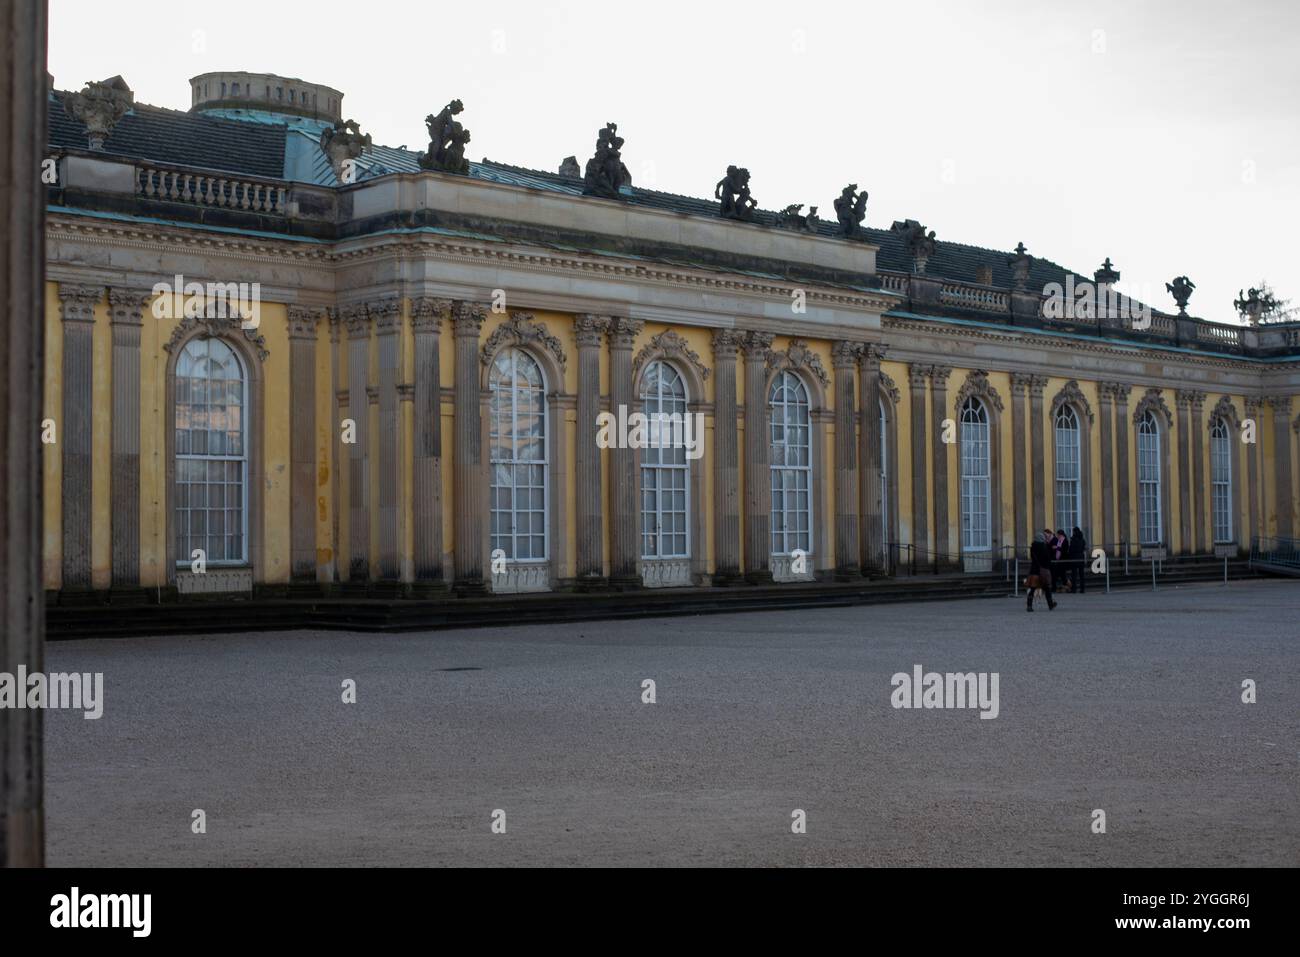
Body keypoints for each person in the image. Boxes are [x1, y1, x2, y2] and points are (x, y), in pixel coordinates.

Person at [1027, 530, 1057, 612]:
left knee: (1032, 589)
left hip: (1034, 570)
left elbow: (1033, 558)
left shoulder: (1032, 547)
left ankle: (1029, 605)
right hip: (1043, 570)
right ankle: (1050, 605)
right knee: (1047, 588)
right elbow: (1047, 558)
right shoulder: (1043, 546)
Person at [1069, 527, 1087, 593]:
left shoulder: (1073, 539)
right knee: (1081, 575)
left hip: (1074, 558)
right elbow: (1084, 549)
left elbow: (1071, 549)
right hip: (1081, 558)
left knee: (1074, 575)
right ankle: (1082, 589)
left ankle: (1074, 589)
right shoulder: (1082, 540)